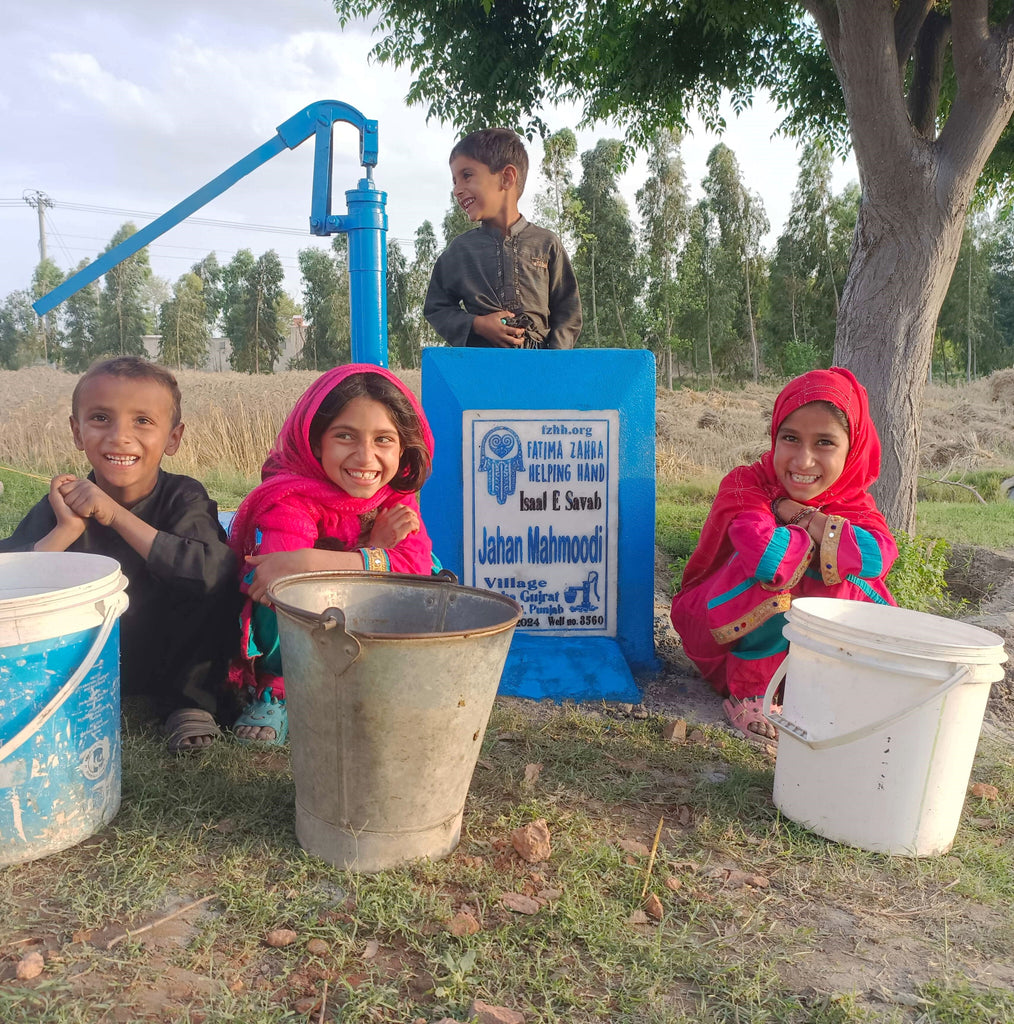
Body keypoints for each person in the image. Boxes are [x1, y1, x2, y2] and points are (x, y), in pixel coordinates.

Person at [0, 357, 239, 753]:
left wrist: (114, 515)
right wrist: (64, 532)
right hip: (88, 662)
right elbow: (8, 582)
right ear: (77, 432)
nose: (119, 437)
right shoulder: (62, 505)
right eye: (100, 418)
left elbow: (212, 572)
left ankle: (189, 705)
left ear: (173, 438)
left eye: (142, 421)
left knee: (205, 574)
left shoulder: (183, 496)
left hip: (172, 656)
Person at [669, 368, 898, 745]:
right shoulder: (748, 484)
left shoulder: (854, 503)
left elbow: (875, 557)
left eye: (824, 443)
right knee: (785, 574)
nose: (803, 461)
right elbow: (769, 559)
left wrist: (794, 512)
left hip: (808, 655)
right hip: (723, 636)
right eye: (790, 439)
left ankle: (817, 685)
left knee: (855, 578)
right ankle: (751, 688)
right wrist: (821, 540)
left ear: (852, 448)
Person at [227, 363, 435, 745]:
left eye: (383, 440)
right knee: (278, 599)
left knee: (432, 572)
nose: (365, 458)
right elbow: (283, 585)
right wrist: (376, 556)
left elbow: (415, 568)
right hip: (299, 629)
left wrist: (316, 559)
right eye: (345, 436)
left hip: (355, 621)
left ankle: (370, 676)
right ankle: (278, 687)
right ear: (315, 439)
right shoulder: (290, 496)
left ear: (404, 447)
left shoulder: (395, 499)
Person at [424, 127, 582, 350]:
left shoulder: (546, 244)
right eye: (454, 181)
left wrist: (554, 363)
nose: (457, 190)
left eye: (466, 176)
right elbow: (436, 307)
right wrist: (477, 324)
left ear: (507, 177)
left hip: (539, 369)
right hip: (483, 369)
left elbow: (568, 312)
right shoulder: (460, 251)